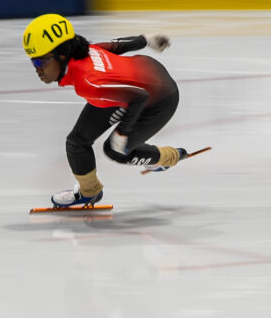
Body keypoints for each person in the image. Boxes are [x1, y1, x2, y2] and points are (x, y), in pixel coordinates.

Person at [23, 13, 189, 208]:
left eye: (40, 62)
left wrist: (122, 133)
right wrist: (147, 39)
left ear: (61, 54)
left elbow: (139, 97)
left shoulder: (88, 81)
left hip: (160, 97)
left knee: (116, 150)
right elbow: (118, 45)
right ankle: (90, 191)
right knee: (76, 142)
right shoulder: (86, 51)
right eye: (33, 62)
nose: (37, 69)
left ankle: (166, 157)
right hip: (130, 82)